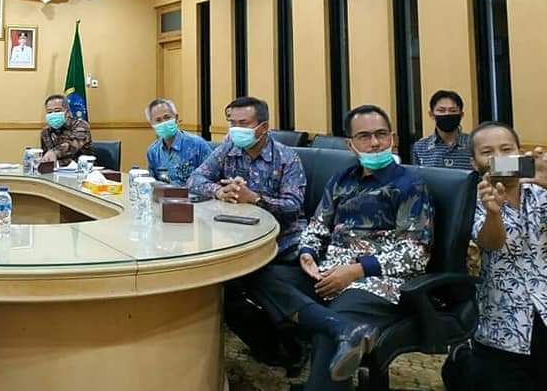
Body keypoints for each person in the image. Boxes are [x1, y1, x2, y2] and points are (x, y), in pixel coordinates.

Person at [251, 104, 434, 390]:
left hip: (375, 282)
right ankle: (340, 327)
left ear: (393, 138)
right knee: (260, 274)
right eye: (364, 136)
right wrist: (308, 253)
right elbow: (318, 226)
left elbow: (415, 253)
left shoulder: (410, 186)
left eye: (381, 134)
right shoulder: (342, 179)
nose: (374, 143)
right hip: (327, 273)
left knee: (332, 331)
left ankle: (335, 331)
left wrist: (355, 271)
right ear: (351, 144)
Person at [470, 121, 547, 390]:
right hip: (503, 324)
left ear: (520, 153)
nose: (499, 157)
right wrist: (494, 213)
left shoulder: (545, 188)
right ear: (474, 163)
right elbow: (491, 243)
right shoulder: (471, 198)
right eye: (487, 152)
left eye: (506, 149)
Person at [188, 96, 307, 260]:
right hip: (235, 232)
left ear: (263, 127)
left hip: (280, 239)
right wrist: (220, 191)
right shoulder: (228, 150)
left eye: (243, 124)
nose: (236, 130)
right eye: (233, 124)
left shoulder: (287, 158)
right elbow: (194, 179)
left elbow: (293, 207)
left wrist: (255, 199)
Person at [144, 98, 211, 187]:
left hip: (193, 194)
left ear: (176, 118)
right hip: (164, 194)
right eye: (158, 120)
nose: (164, 123)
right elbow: (152, 184)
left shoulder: (197, 144)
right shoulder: (152, 151)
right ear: (152, 124)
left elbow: (212, 176)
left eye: (167, 117)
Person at [411, 89, 472, 169]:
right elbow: (416, 175)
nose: (447, 114)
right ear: (431, 114)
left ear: (461, 114)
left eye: (453, 111)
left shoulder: (473, 144)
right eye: (441, 110)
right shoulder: (420, 147)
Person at [40, 94, 91, 164]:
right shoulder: (46, 131)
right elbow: (45, 155)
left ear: (67, 112)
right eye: (49, 112)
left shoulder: (80, 125)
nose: (53, 114)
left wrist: (54, 152)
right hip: (55, 169)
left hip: (81, 167)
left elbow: (72, 146)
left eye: (57, 111)